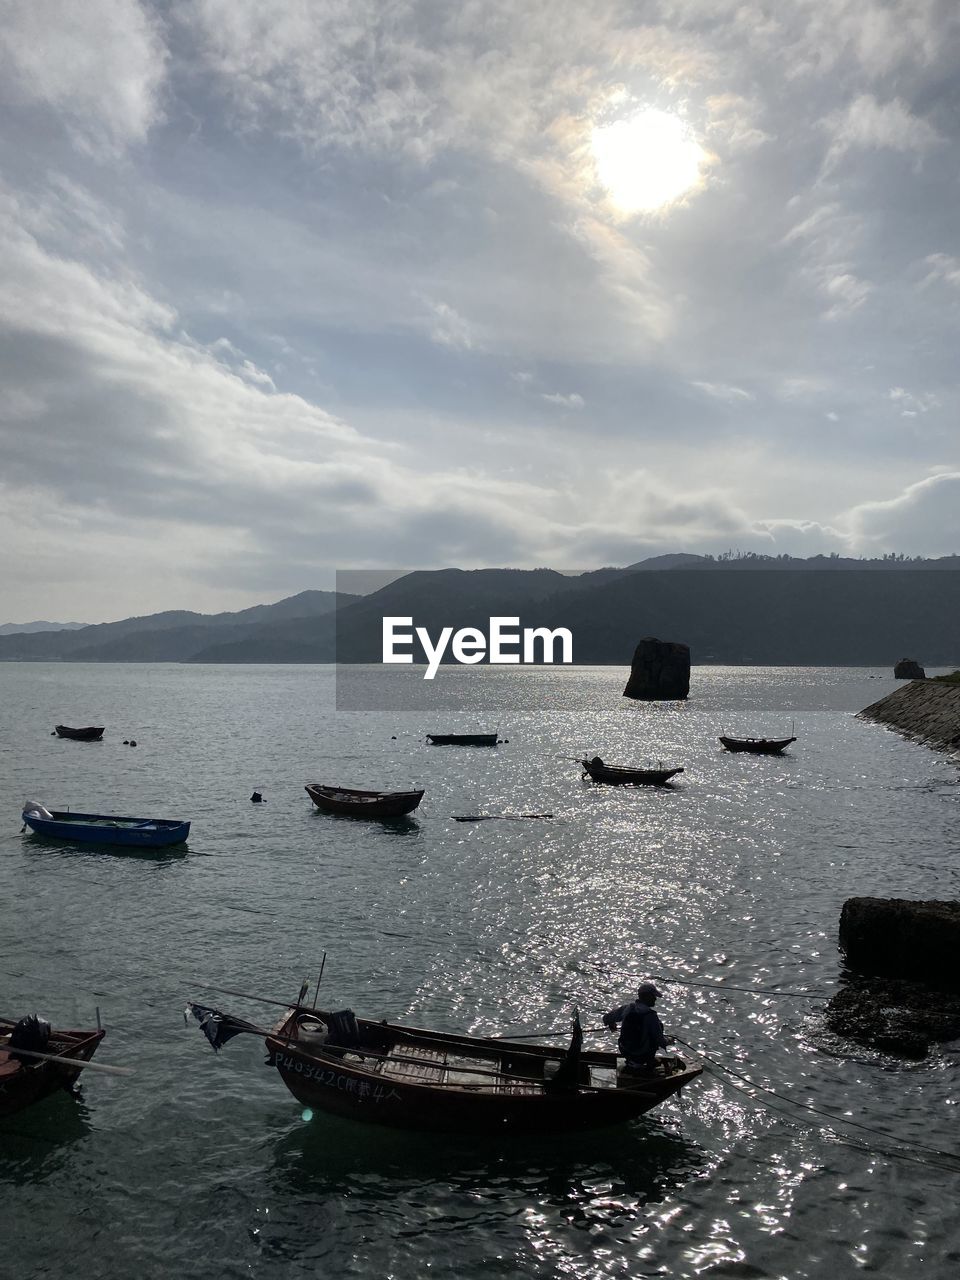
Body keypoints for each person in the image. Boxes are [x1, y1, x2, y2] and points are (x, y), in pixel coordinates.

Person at [603, 982, 670, 1073]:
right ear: (646, 997)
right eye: (653, 996)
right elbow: (660, 1041)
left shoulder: (627, 1008)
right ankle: (644, 1062)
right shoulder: (651, 1016)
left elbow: (607, 1017)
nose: (655, 999)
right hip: (641, 1054)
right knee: (659, 1027)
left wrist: (611, 1023)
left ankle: (632, 1061)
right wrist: (669, 1041)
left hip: (624, 1050)